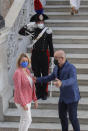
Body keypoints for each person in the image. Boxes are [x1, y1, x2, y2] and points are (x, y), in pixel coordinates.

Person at [36, 50, 80, 131]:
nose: (54, 59)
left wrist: (62, 83)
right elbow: (50, 77)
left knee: (73, 118)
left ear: (62, 58)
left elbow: (73, 80)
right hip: (63, 97)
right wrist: (37, 79)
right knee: (62, 116)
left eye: (56, 58)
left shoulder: (71, 68)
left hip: (72, 97)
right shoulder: (56, 68)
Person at [18, 0, 54, 100]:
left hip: (44, 54)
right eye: (38, 21)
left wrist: (52, 57)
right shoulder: (33, 30)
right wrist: (27, 26)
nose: (40, 23)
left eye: (42, 21)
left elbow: (50, 45)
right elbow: (20, 32)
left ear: (43, 21)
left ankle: (44, 92)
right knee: (37, 73)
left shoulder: (47, 31)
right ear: (36, 22)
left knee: (45, 74)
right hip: (35, 55)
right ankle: (39, 92)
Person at [13, 53, 38, 131]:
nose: (25, 62)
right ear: (19, 62)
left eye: (26, 61)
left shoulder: (27, 71)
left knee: (23, 120)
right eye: (23, 61)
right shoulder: (18, 72)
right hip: (22, 101)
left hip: (28, 99)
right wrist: (23, 103)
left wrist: (35, 99)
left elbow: (31, 86)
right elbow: (18, 89)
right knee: (28, 120)